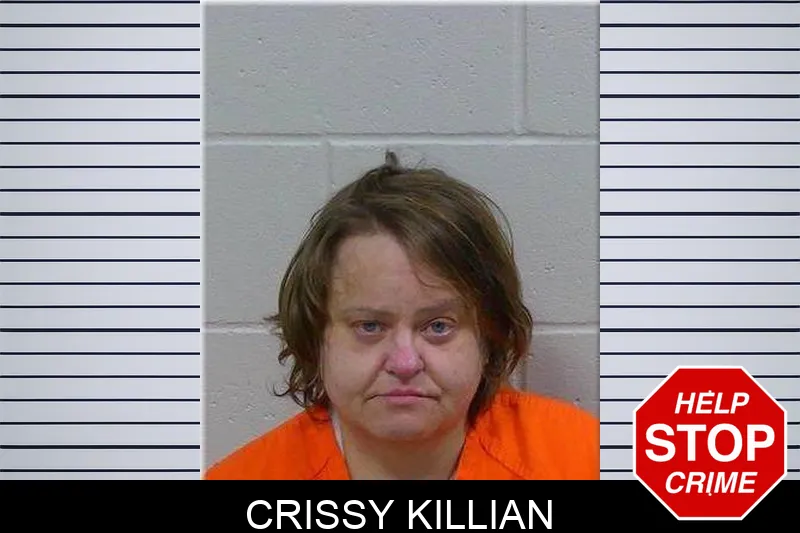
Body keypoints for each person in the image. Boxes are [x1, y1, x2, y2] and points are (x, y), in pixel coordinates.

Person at [205, 151, 598, 480]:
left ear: (488, 336)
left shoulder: (586, 462)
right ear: (315, 336)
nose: (405, 363)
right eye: (369, 326)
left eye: (438, 326)